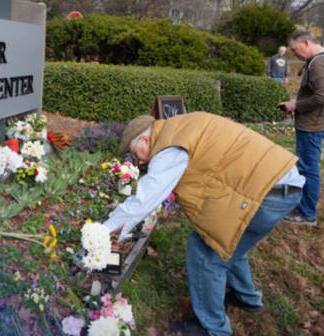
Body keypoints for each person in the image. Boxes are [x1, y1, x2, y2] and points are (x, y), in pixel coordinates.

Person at [105, 112, 304, 336]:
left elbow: (143, 201)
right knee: (227, 237)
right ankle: (247, 297)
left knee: (205, 252)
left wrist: (103, 234)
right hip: (281, 184)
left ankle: (213, 328)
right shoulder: (179, 127)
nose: (140, 161)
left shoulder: (169, 147)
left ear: (144, 140)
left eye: (136, 153)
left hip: (267, 194)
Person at [279, 29, 324, 226]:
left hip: (311, 126)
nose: (294, 54)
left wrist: (295, 105)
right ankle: (303, 207)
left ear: (306, 43)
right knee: (307, 166)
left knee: (308, 168)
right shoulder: (316, 61)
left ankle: (306, 213)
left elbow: (322, 96)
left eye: (295, 50)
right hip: (313, 123)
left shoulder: (318, 63)